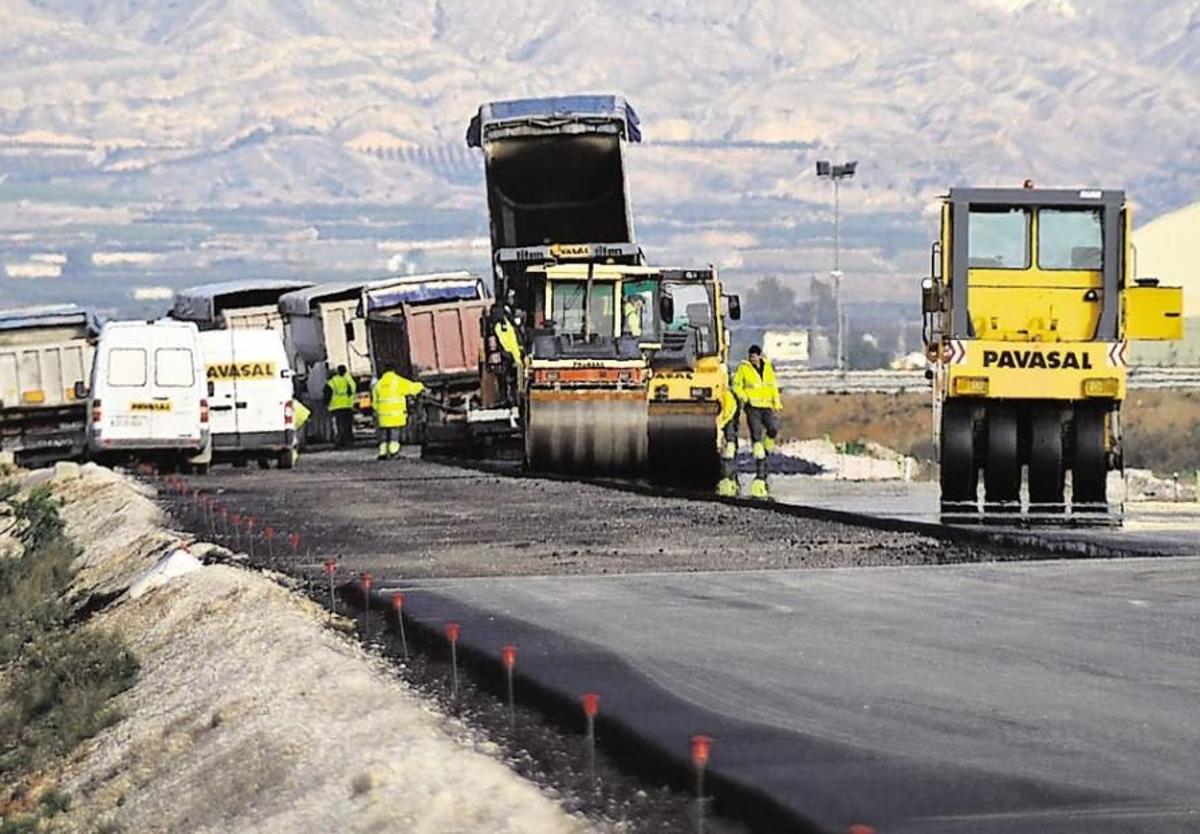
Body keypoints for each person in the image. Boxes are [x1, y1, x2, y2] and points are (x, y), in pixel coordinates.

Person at [732, 345, 782, 499]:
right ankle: (760, 469)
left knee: (773, 430)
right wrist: (744, 397)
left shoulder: (767, 367)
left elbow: (772, 385)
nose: (752, 358)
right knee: (756, 435)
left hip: (766, 406)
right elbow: (736, 385)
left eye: (754, 356)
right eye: (750, 356)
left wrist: (776, 402)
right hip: (752, 406)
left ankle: (766, 451)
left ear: (759, 356)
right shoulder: (743, 368)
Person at [371, 362, 425, 460]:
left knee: (384, 434)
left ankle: (383, 452)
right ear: (393, 371)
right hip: (395, 414)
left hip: (382, 414)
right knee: (394, 433)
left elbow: (374, 401)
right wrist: (421, 386)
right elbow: (412, 388)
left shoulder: (378, 384)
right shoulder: (397, 381)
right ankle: (393, 452)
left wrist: (377, 411)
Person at [715, 384, 740, 497]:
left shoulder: (727, 397)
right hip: (723, 419)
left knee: (729, 448)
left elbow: (730, 410)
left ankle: (728, 478)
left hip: (726, 417)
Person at [324, 364, 357, 449]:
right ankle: (348, 441)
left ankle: (340, 442)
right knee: (347, 425)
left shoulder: (331, 382)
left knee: (338, 426)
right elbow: (351, 391)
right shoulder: (345, 380)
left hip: (335, 407)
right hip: (346, 406)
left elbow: (327, 395)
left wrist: (325, 404)